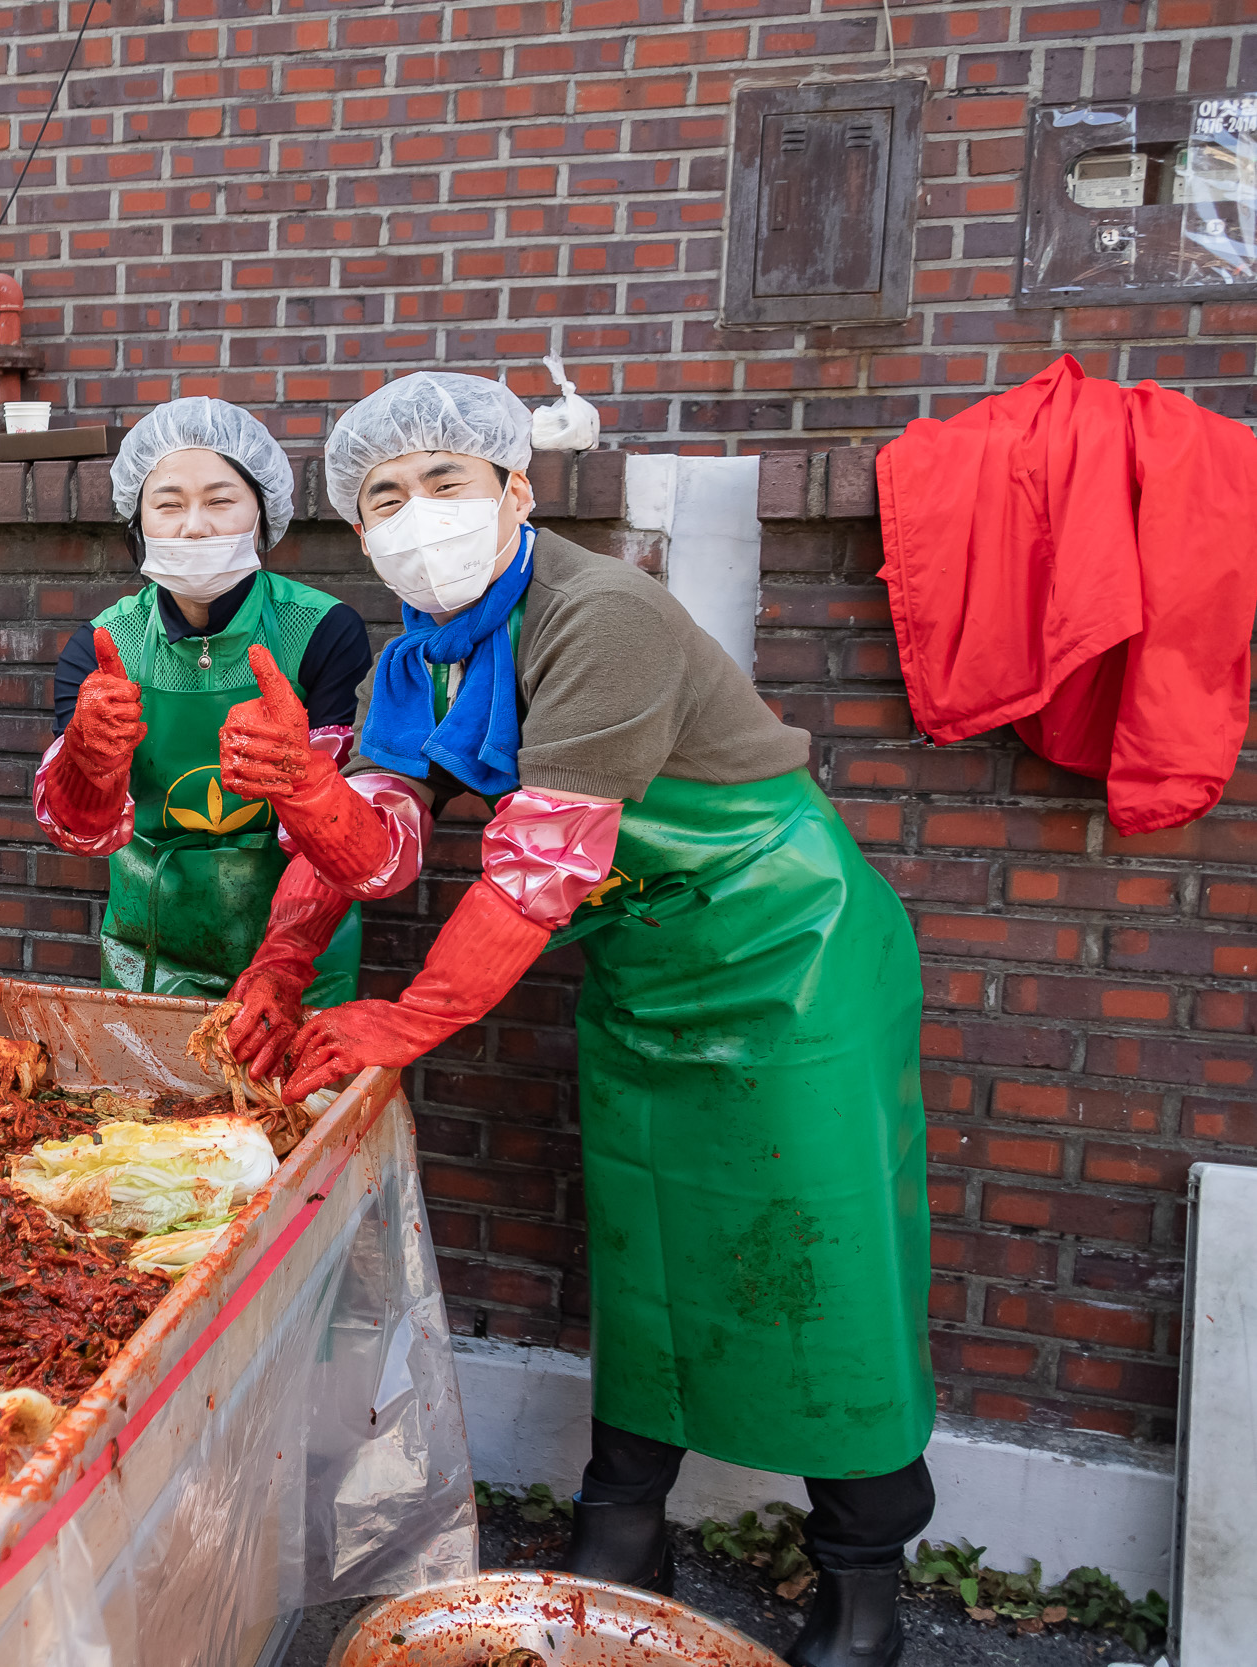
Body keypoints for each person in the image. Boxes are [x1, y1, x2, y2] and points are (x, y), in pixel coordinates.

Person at [250, 372, 931, 1667]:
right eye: (384, 495)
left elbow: (532, 873)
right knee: (648, 1243)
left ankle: (865, 1564)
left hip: (789, 955)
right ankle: (624, 1517)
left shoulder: (596, 614)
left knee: (827, 1255)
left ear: (519, 487)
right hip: (642, 966)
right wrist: (299, 836)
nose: (414, 515)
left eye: (445, 481)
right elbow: (379, 847)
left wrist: (412, 1017)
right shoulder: (417, 657)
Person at [32, 397, 418, 1010]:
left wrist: (284, 958)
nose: (194, 526)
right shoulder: (104, 646)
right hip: (151, 950)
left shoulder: (322, 630)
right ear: (137, 524)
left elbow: (352, 814)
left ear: (263, 517)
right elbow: (81, 830)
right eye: (167, 504)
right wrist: (88, 761)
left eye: (220, 501)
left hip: (301, 943)